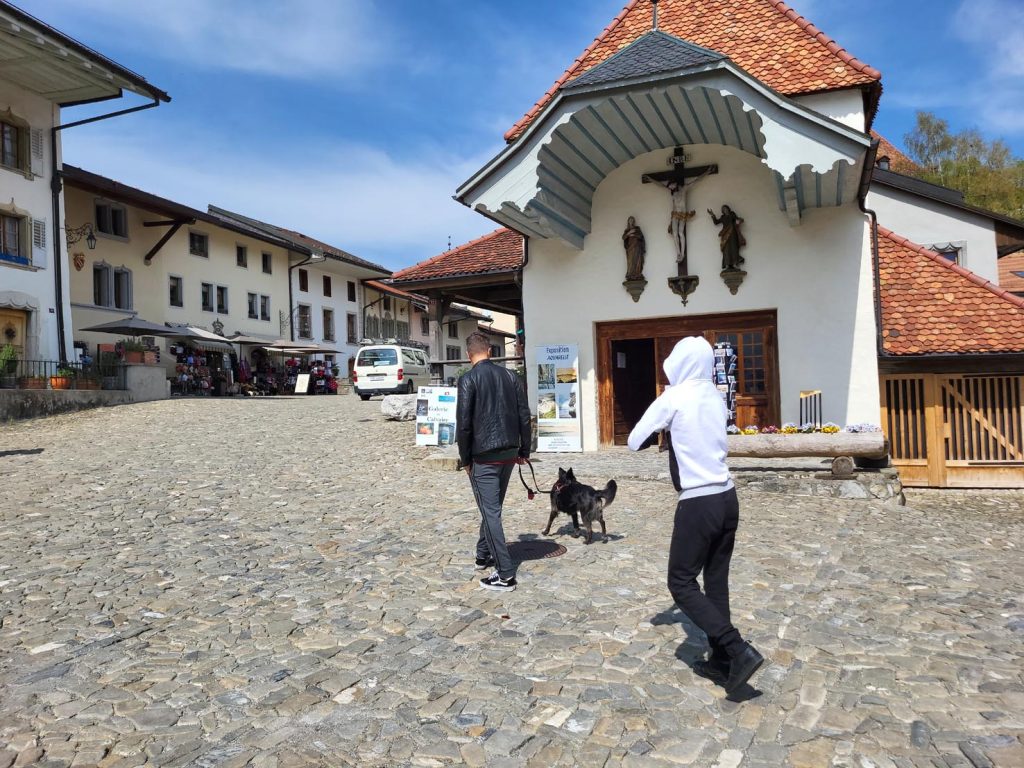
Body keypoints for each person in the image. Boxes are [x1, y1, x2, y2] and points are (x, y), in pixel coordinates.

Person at [627, 336, 764, 695]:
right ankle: (723, 661)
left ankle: (737, 648)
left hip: (698, 503)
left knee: (681, 583)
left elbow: (633, 439)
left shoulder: (674, 397)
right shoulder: (715, 396)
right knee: (715, 582)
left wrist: (662, 424)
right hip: (727, 497)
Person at [456, 331, 532, 592]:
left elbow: (463, 425)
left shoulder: (468, 380)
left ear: (469, 355)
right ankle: (482, 554)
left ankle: (505, 574)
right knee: (492, 507)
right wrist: (525, 449)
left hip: (483, 456)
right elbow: (525, 415)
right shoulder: (511, 376)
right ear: (489, 351)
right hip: (509, 453)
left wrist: (465, 459)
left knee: (490, 511)